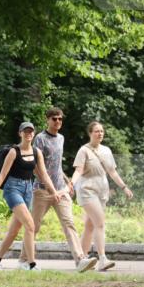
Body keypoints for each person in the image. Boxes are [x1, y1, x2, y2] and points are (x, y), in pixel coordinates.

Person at [0, 122, 60, 271]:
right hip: (13, 189)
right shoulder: (14, 152)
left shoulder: (37, 152)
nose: (29, 134)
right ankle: (30, 264)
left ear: (33, 134)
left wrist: (54, 192)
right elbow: (2, 176)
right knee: (30, 225)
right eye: (25, 131)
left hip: (28, 190)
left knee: (14, 230)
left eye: (31, 131)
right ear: (20, 133)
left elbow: (43, 175)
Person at [28, 108, 98, 272]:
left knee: (69, 224)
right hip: (42, 191)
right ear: (47, 120)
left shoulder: (61, 138)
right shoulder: (40, 139)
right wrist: (48, 188)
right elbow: (35, 167)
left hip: (60, 190)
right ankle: (25, 259)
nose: (58, 122)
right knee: (34, 227)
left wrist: (68, 182)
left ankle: (80, 260)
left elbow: (56, 165)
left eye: (60, 119)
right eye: (54, 119)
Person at [71, 121, 134, 272]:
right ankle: (102, 259)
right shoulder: (83, 150)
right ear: (90, 133)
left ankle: (82, 260)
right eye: (96, 131)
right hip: (87, 190)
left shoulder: (106, 150)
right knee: (100, 223)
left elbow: (112, 172)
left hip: (101, 192)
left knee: (90, 225)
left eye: (102, 131)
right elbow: (79, 171)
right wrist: (71, 184)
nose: (100, 134)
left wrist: (124, 187)